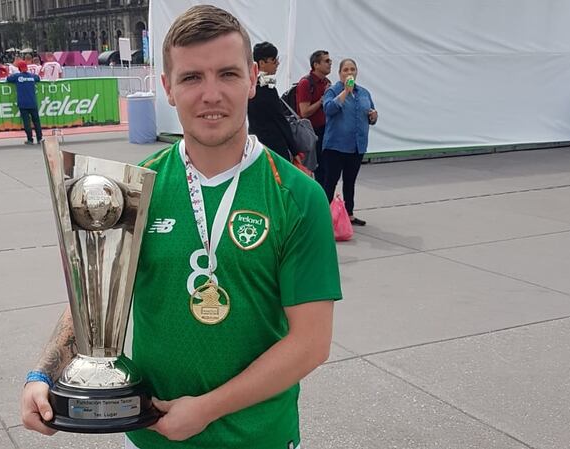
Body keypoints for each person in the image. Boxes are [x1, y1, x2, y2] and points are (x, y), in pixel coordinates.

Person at [20, 5, 341, 449]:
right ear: (168, 88)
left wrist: (205, 409)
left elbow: (311, 343)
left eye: (227, 74)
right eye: (192, 78)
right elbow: (95, 295)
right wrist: (43, 374)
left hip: (259, 438)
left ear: (252, 78)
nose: (211, 94)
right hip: (154, 439)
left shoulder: (297, 195)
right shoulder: (133, 191)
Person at [321, 58, 377, 227]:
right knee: (330, 181)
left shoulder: (364, 93)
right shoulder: (332, 91)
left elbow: (371, 114)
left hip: (357, 146)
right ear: (339, 73)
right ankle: (324, 217)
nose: (349, 72)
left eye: (352, 69)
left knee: (350, 181)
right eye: (345, 70)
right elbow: (328, 109)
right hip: (336, 146)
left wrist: (373, 116)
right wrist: (345, 92)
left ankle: (349, 213)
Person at [247, 41, 297, 162]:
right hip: (274, 146)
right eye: (274, 60)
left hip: (254, 144)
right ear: (262, 63)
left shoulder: (249, 85)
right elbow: (279, 120)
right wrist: (294, 149)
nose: (278, 63)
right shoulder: (267, 89)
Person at [296, 50, 332, 186]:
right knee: (310, 169)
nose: (330, 64)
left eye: (330, 61)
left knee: (325, 170)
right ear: (316, 65)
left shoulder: (327, 82)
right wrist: (321, 101)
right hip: (310, 133)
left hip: (325, 131)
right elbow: (304, 112)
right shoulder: (306, 83)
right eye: (326, 61)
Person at [6, 61, 43, 145]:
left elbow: (8, 79)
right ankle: (39, 138)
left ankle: (30, 139)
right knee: (36, 121)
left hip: (23, 103)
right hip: (32, 102)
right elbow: (38, 78)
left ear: (19, 69)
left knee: (26, 122)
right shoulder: (32, 77)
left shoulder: (17, 77)